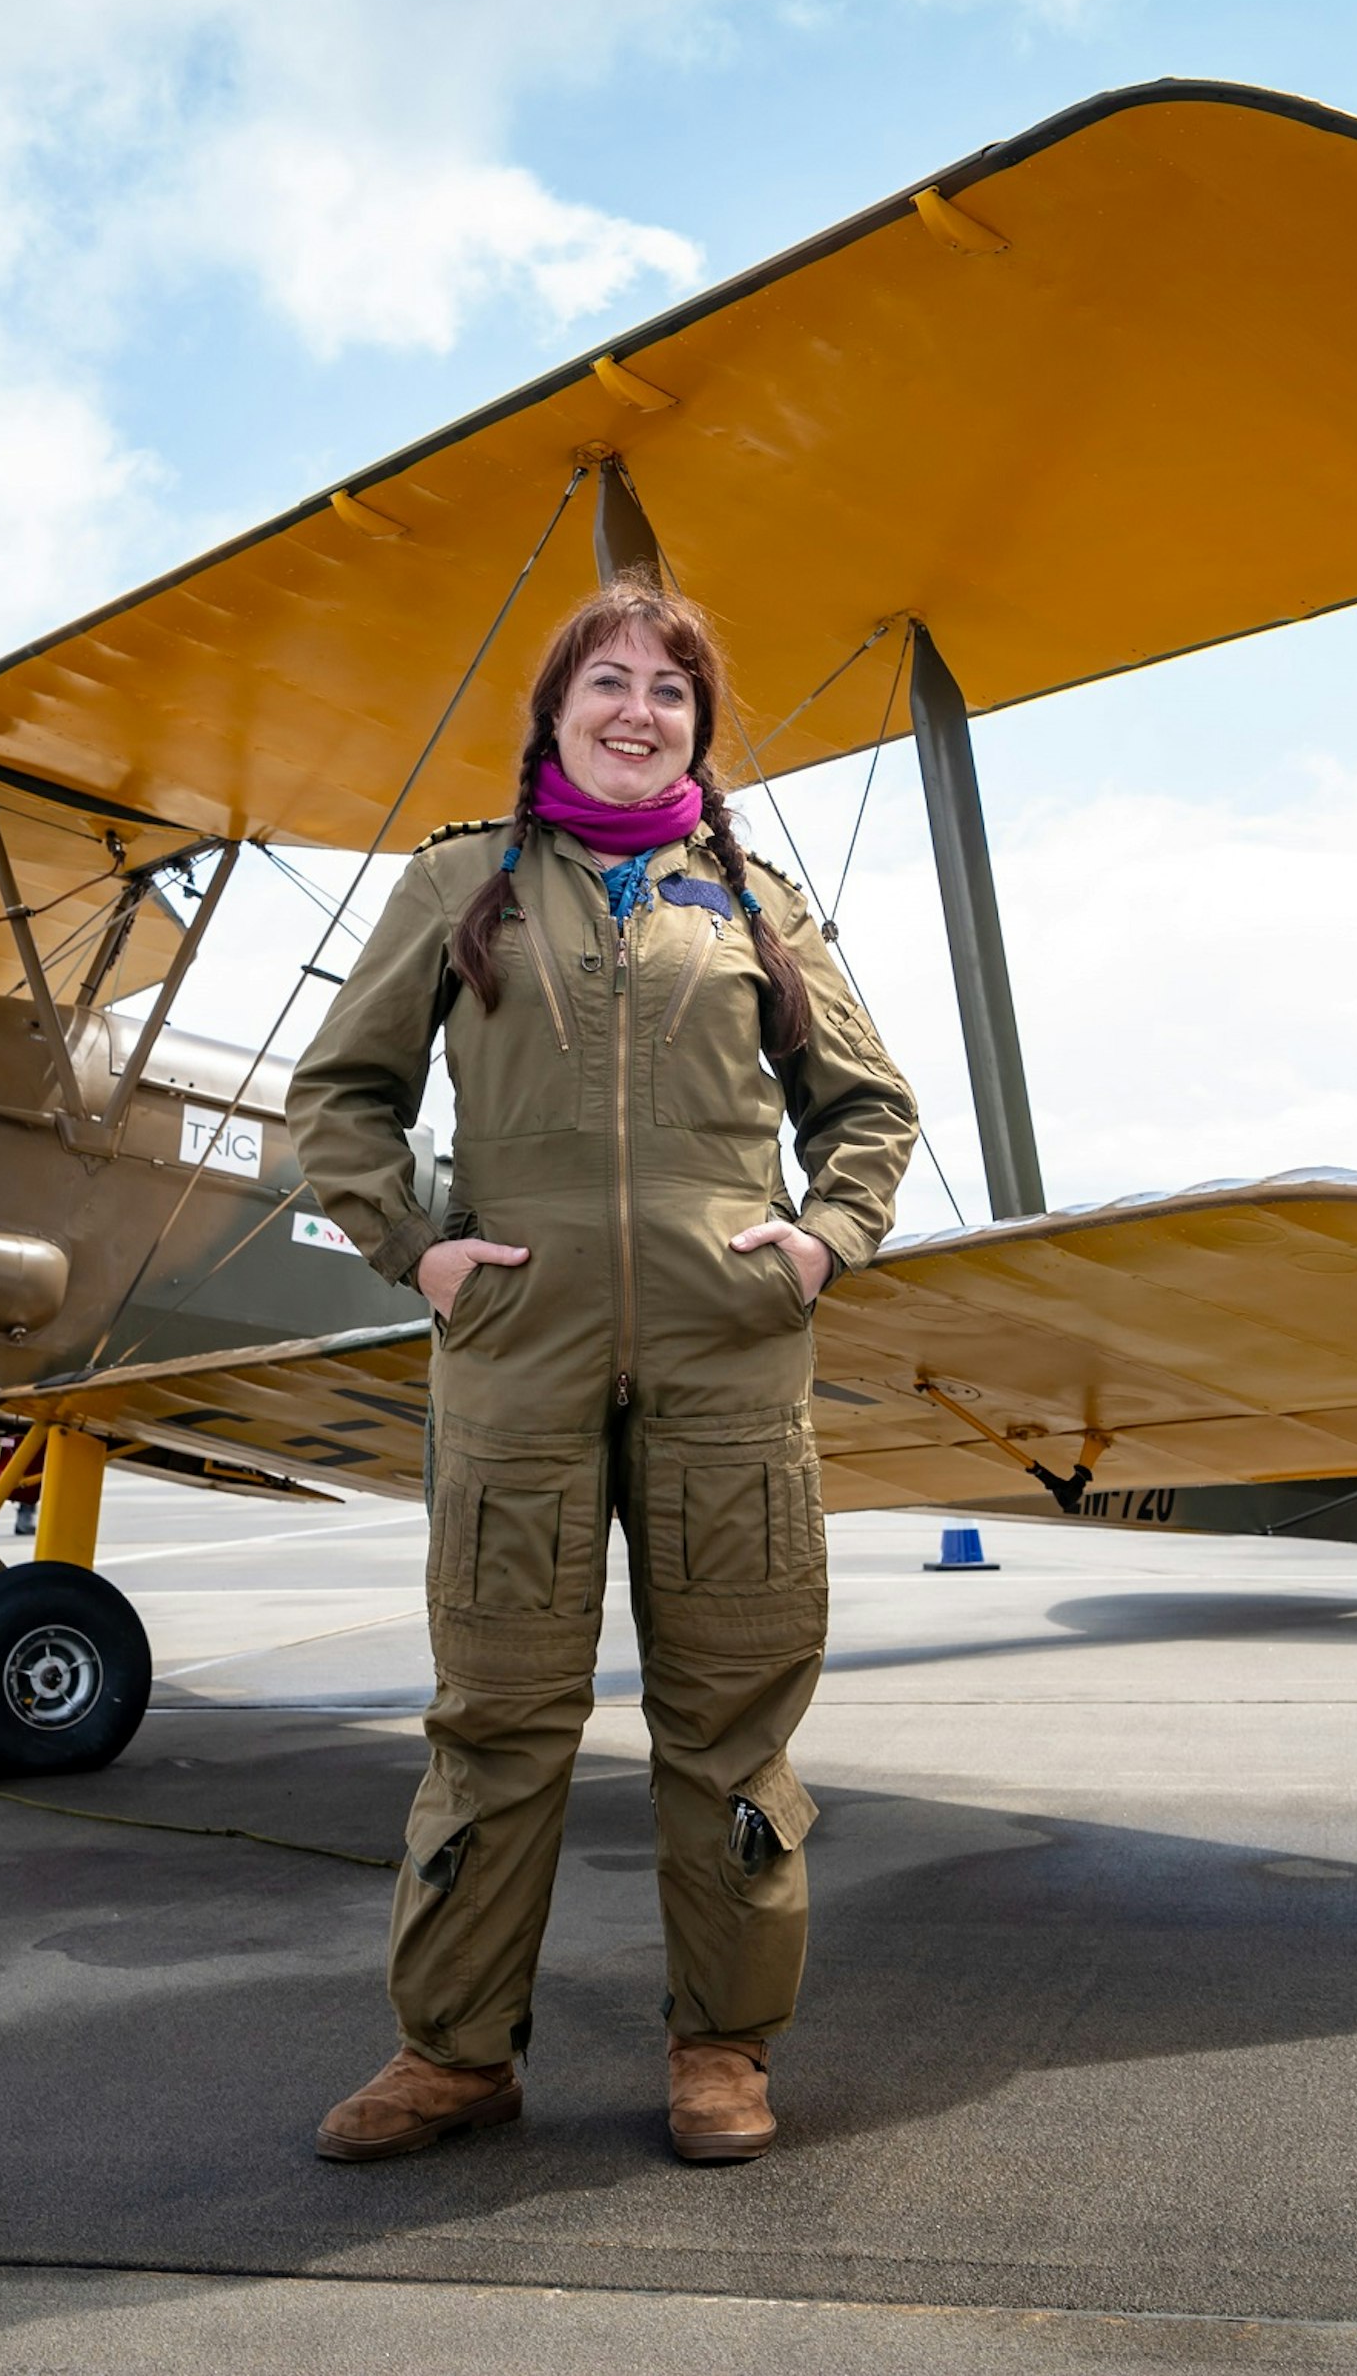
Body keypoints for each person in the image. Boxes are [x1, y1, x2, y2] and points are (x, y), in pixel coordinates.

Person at [288, 574, 918, 2167]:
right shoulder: (461, 884)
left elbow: (870, 1110)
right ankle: (454, 2057)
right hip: (516, 1359)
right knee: (495, 1720)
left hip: (729, 1364)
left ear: (698, 725)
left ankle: (722, 2051)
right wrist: (417, 1251)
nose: (639, 709)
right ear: (556, 710)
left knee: (730, 1729)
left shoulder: (758, 902)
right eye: (608, 681)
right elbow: (338, 1099)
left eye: (671, 690)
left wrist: (822, 1242)